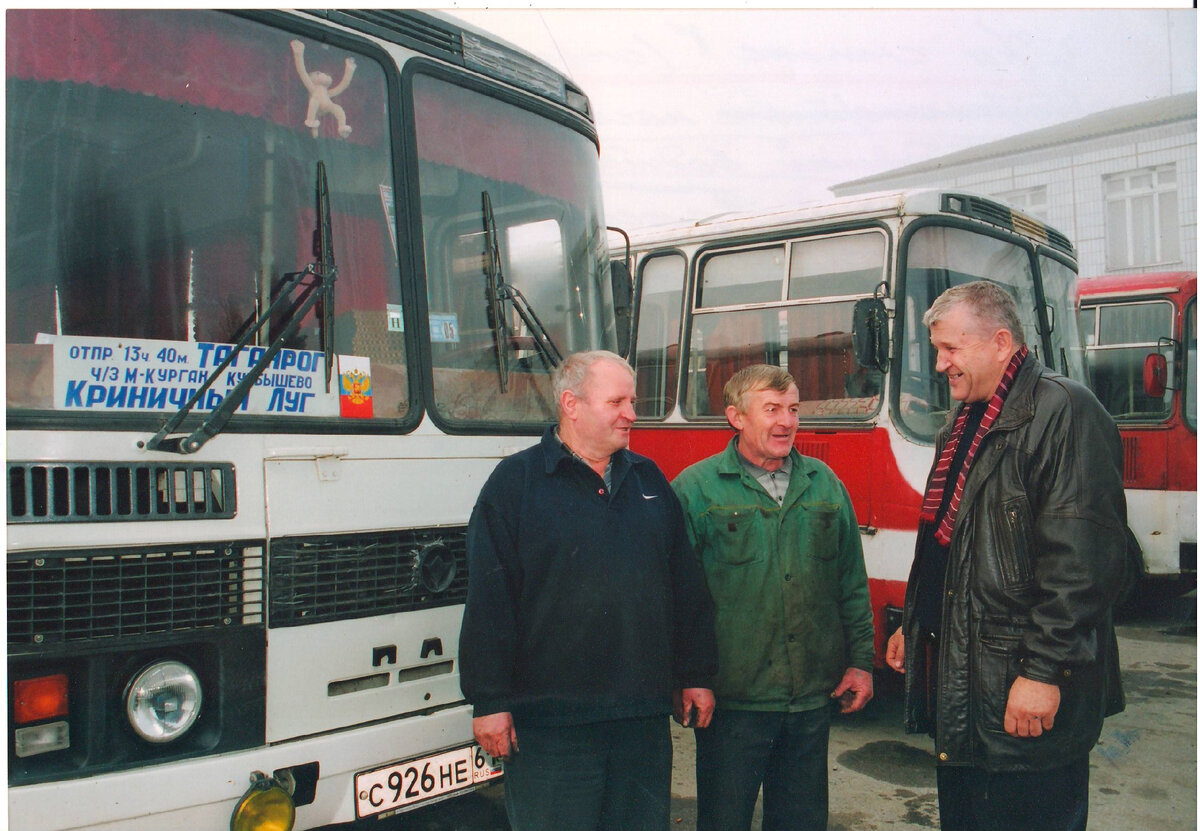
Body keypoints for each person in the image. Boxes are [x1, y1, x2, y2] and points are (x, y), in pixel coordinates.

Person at [885, 281, 1126, 831]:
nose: (941, 364)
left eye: (950, 348)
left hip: (1023, 684)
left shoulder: (1064, 410)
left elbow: (1083, 567)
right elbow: (949, 541)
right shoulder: (966, 421)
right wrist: (917, 619)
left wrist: (1044, 672)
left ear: (999, 342)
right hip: (974, 683)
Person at [458, 350, 718, 831]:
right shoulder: (515, 484)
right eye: (617, 401)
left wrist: (695, 672)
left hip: (640, 722)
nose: (631, 414)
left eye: (633, 401)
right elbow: (489, 604)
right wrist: (490, 701)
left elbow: (686, 586)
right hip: (552, 727)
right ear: (571, 405)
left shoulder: (649, 480)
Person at [672, 363, 876, 831]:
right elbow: (678, 601)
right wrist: (689, 677)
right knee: (724, 821)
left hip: (808, 702)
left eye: (793, 409)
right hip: (731, 703)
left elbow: (850, 583)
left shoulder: (824, 484)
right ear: (736, 417)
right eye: (772, 409)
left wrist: (860, 662)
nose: (786, 421)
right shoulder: (695, 490)